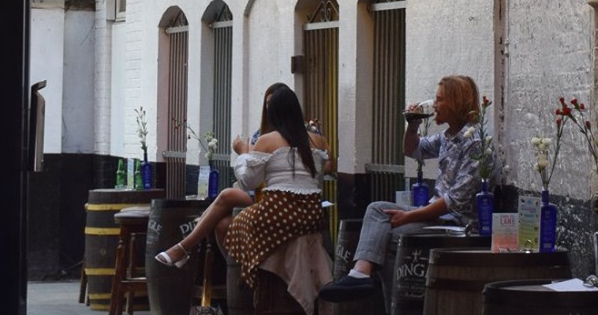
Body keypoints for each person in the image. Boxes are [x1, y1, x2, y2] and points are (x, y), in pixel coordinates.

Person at [324, 73, 482, 292]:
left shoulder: (473, 142)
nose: (434, 105)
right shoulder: (447, 137)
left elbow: (453, 202)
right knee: (376, 209)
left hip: (456, 223)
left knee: (394, 235)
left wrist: (409, 216)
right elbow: (412, 150)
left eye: (439, 99)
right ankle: (360, 274)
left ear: (456, 103)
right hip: (437, 213)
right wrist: (413, 125)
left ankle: (393, 300)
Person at [154, 83, 328, 269]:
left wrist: (243, 153)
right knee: (223, 224)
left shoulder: (266, 139)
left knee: (232, 219)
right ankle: (193, 251)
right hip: (311, 213)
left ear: (273, 112)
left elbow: (247, 182)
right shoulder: (318, 140)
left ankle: (240, 269)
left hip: (278, 211)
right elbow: (324, 168)